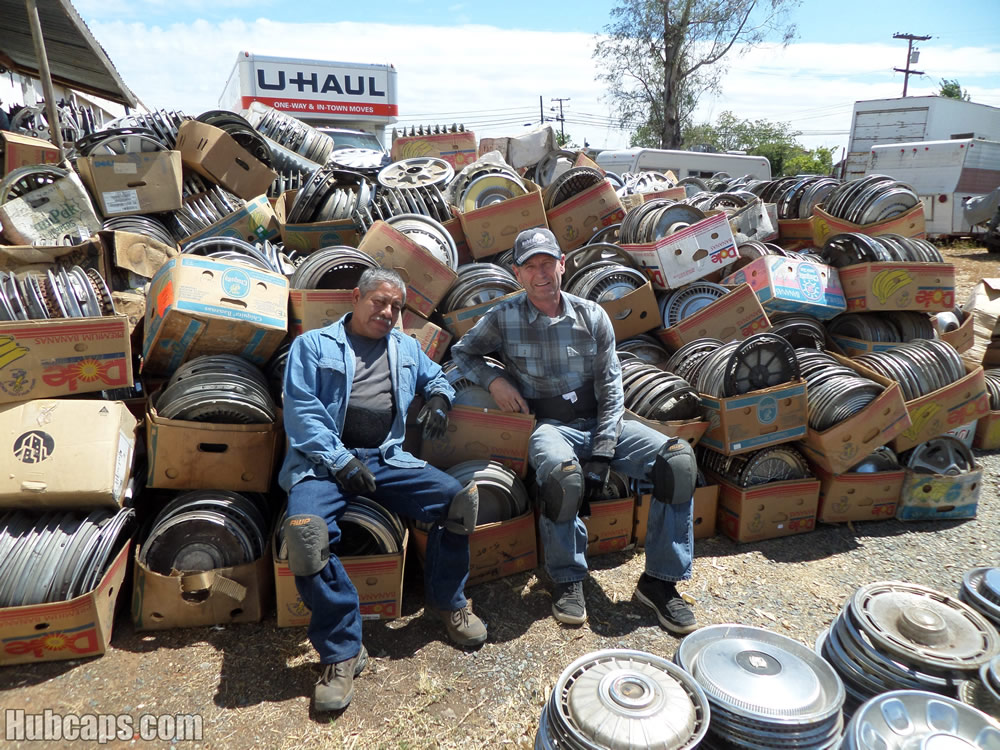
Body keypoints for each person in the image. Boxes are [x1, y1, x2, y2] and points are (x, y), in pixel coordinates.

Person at [451, 228, 700, 634]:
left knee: (677, 462)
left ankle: (659, 581)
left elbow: (611, 388)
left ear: (562, 265)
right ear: (517, 273)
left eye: (547, 263)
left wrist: (603, 451)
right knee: (563, 480)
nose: (540, 273)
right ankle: (567, 579)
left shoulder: (592, 315)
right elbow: (464, 352)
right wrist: (495, 381)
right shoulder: (503, 317)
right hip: (548, 426)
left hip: (599, 420)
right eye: (530, 266)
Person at [279, 267, 486, 712]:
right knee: (305, 535)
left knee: (459, 502)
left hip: (386, 460)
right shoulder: (312, 346)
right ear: (356, 297)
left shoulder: (406, 347)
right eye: (380, 302)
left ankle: (449, 603)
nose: (389, 312)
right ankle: (341, 651)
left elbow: (438, 377)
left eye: (397, 306)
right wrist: (340, 460)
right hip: (324, 464)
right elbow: (301, 413)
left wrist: (438, 399)